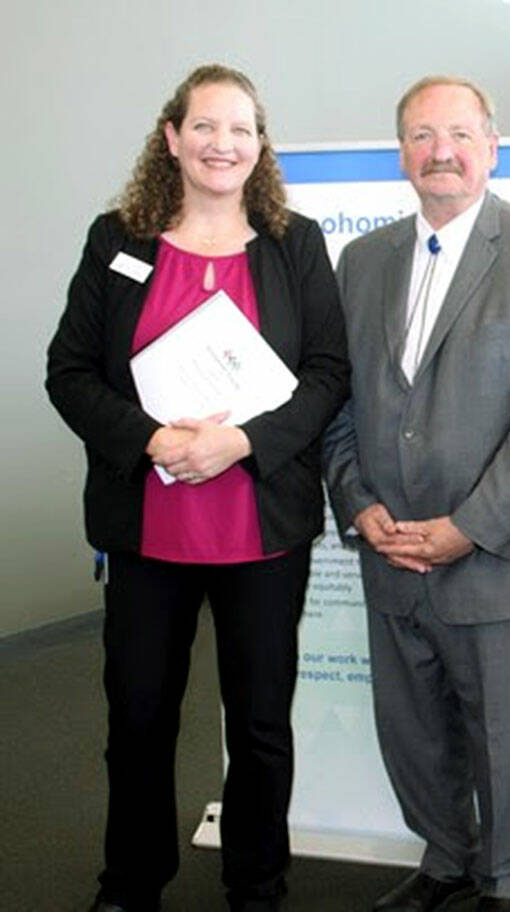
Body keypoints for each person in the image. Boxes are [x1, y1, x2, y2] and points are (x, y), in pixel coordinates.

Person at [45, 65, 350, 912]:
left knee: (260, 725)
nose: (224, 145)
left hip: (261, 527)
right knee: (138, 718)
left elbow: (328, 375)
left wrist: (239, 442)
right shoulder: (118, 240)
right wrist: (152, 439)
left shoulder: (296, 243)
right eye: (206, 127)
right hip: (147, 529)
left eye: (242, 129)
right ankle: (130, 880)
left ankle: (256, 881)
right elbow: (68, 371)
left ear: (261, 146)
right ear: (172, 137)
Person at [321, 75, 510, 912]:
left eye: (459, 134)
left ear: (492, 147)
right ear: (401, 152)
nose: (441, 151)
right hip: (391, 548)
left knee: (504, 737)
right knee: (413, 731)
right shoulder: (361, 262)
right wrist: (357, 502)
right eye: (420, 135)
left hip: (498, 555)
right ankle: (444, 861)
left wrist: (468, 528)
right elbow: (335, 399)